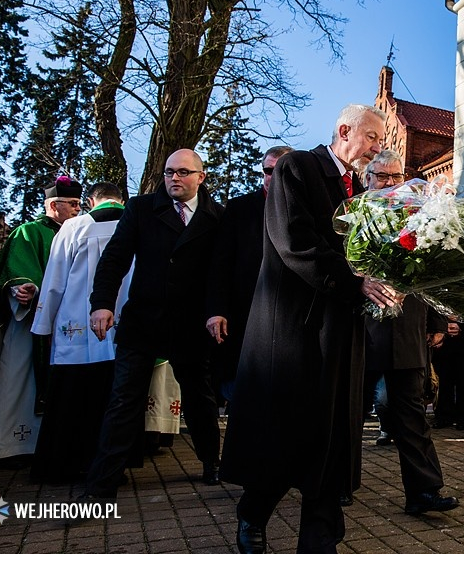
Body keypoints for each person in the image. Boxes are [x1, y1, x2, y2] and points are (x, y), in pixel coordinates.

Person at [219, 103, 399, 554]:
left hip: (341, 330)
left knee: (334, 437)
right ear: (345, 129)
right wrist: (355, 281)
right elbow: (294, 240)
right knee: (285, 436)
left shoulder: (359, 187)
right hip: (295, 328)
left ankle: (320, 546)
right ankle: (253, 515)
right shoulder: (298, 166)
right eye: (374, 137)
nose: (379, 147)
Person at [81, 149, 224, 502]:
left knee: (200, 398)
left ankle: (212, 461)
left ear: (201, 177)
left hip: (191, 326)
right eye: (169, 172)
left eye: (183, 172)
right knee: (123, 400)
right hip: (144, 321)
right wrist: (101, 304)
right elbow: (115, 258)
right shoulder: (142, 209)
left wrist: (217, 310)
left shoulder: (217, 216)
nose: (174, 178)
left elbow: (221, 273)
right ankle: (102, 485)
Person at [357, 149, 458, 515]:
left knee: (412, 418)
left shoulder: (417, 215)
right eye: (380, 176)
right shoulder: (353, 214)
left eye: (394, 177)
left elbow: (429, 277)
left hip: (406, 332)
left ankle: (424, 492)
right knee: (350, 415)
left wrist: (435, 324)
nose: (388, 183)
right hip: (361, 331)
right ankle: (338, 483)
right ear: (367, 178)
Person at [29, 182, 129, 482]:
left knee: (71, 398)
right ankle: (110, 467)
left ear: (90, 200)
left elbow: (55, 279)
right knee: (115, 398)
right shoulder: (136, 225)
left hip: (76, 327)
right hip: (121, 328)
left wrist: (42, 324)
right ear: (121, 200)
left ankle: (63, 465)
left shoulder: (74, 226)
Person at [0, 175, 84, 466]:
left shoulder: (78, 235)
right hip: (28, 325)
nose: (78, 210)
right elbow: (15, 270)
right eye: (73, 204)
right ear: (54, 205)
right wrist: (22, 287)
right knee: (19, 381)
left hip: (64, 327)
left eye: (79, 204)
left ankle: (50, 444)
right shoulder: (29, 232)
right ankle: (8, 447)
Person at [206, 145, 293, 408]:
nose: (273, 176)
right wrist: (216, 310)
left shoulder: (308, 210)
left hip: (290, 318)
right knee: (241, 395)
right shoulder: (238, 209)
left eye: (281, 171)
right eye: (268, 170)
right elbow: (220, 264)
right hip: (244, 315)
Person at [431, 318, 464, 431]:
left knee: (463, 386)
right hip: (444, 350)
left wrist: (462, 328)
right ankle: (443, 417)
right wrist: (442, 330)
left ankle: (461, 419)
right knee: (444, 385)